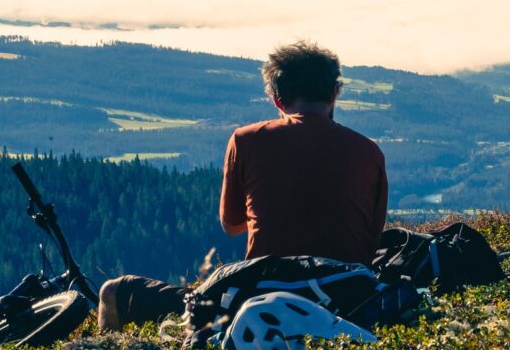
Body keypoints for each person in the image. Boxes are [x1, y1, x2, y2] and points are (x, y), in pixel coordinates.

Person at [97, 40, 389, 330]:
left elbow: (233, 224)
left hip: (257, 305)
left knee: (113, 291)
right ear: (335, 93)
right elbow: (370, 242)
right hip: (348, 306)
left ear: (276, 98)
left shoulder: (246, 140)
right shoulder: (368, 151)